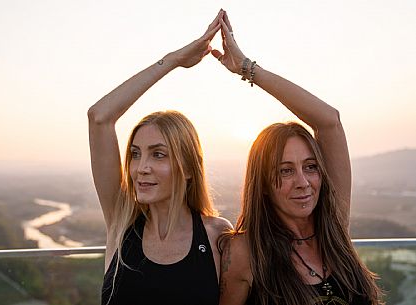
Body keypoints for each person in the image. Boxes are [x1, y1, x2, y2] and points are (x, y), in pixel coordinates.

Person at [212, 11, 383, 305]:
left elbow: (329, 121)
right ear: (263, 183)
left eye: (311, 167)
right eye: (286, 171)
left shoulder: (333, 228)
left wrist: (247, 67)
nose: (303, 182)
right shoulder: (246, 252)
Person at [88, 9, 232, 305]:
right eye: (136, 154)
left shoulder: (217, 236)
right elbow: (99, 117)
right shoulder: (122, 222)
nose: (141, 168)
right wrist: (174, 60)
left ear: (189, 167)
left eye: (158, 154)